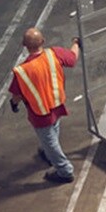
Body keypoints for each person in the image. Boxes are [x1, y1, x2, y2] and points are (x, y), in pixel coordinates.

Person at [8, 27, 80, 184]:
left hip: (40, 112)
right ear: (43, 41)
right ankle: (47, 152)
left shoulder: (22, 70)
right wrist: (76, 43)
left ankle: (65, 171)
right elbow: (73, 58)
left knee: (50, 141)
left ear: (24, 45)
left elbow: (17, 95)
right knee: (53, 130)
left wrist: (13, 104)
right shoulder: (54, 54)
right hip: (57, 103)